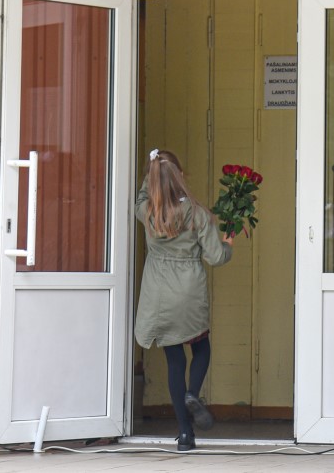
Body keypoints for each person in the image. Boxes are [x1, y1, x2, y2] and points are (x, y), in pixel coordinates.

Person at [134, 148, 234, 451]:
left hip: (159, 294)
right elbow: (216, 257)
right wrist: (228, 243)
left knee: (174, 360)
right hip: (188, 291)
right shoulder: (197, 213)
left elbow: (141, 196)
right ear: (180, 175)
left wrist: (154, 171)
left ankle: (185, 434)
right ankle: (193, 392)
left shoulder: (147, 211)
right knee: (201, 346)